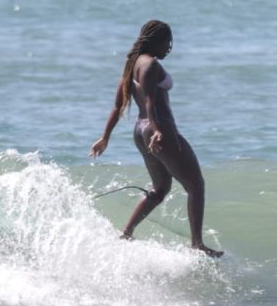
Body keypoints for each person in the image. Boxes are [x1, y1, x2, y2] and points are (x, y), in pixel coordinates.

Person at [90, 20, 223, 257]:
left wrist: (105, 137)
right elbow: (151, 99)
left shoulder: (132, 65)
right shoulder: (149, 64)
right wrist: (158, 128)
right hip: (158, 128)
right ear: (157, 40)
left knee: (160, 188)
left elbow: (118, 105)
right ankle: (197, 244)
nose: (169, 48)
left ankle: (126, 233)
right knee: (196, 185)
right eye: (167, 42)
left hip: (140, 130)